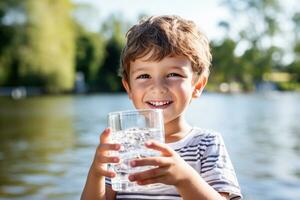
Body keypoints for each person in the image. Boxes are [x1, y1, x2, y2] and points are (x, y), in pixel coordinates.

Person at [81, 15, 242, 200]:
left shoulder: (206, 144)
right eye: (144, 76)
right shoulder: (123, 145)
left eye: (173, 74)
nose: (157, 87)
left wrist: (184, 178)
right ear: (129, 88)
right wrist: (96, 172)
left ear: (197, 86)